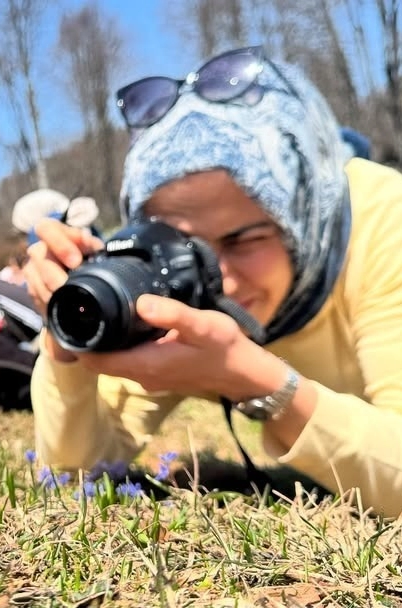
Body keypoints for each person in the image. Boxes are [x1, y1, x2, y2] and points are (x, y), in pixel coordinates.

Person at [24, 45, 402, 518]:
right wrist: (69, 346)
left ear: (303, 214)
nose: (214, 277)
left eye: (243, 238)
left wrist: (252, 380)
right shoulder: (168, 287)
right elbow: (73, 474)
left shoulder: (384, 224)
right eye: (184, 245)